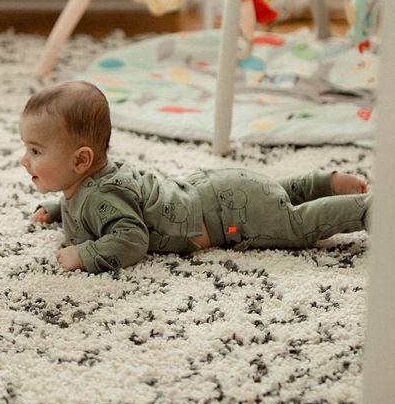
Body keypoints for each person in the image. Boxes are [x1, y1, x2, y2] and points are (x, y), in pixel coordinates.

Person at [19, 80, 370, 273]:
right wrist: (55, 207)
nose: (25, 160)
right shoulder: (85, 186)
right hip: (216, 189)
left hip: (229, 216)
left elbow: (131, 241)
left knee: (293, 226)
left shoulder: (101, 198)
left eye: (35, 151)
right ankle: (322, 183)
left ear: (81, 160)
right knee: (272, 196)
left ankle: (363, 208)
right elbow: (81, 203)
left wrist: (85, 255)